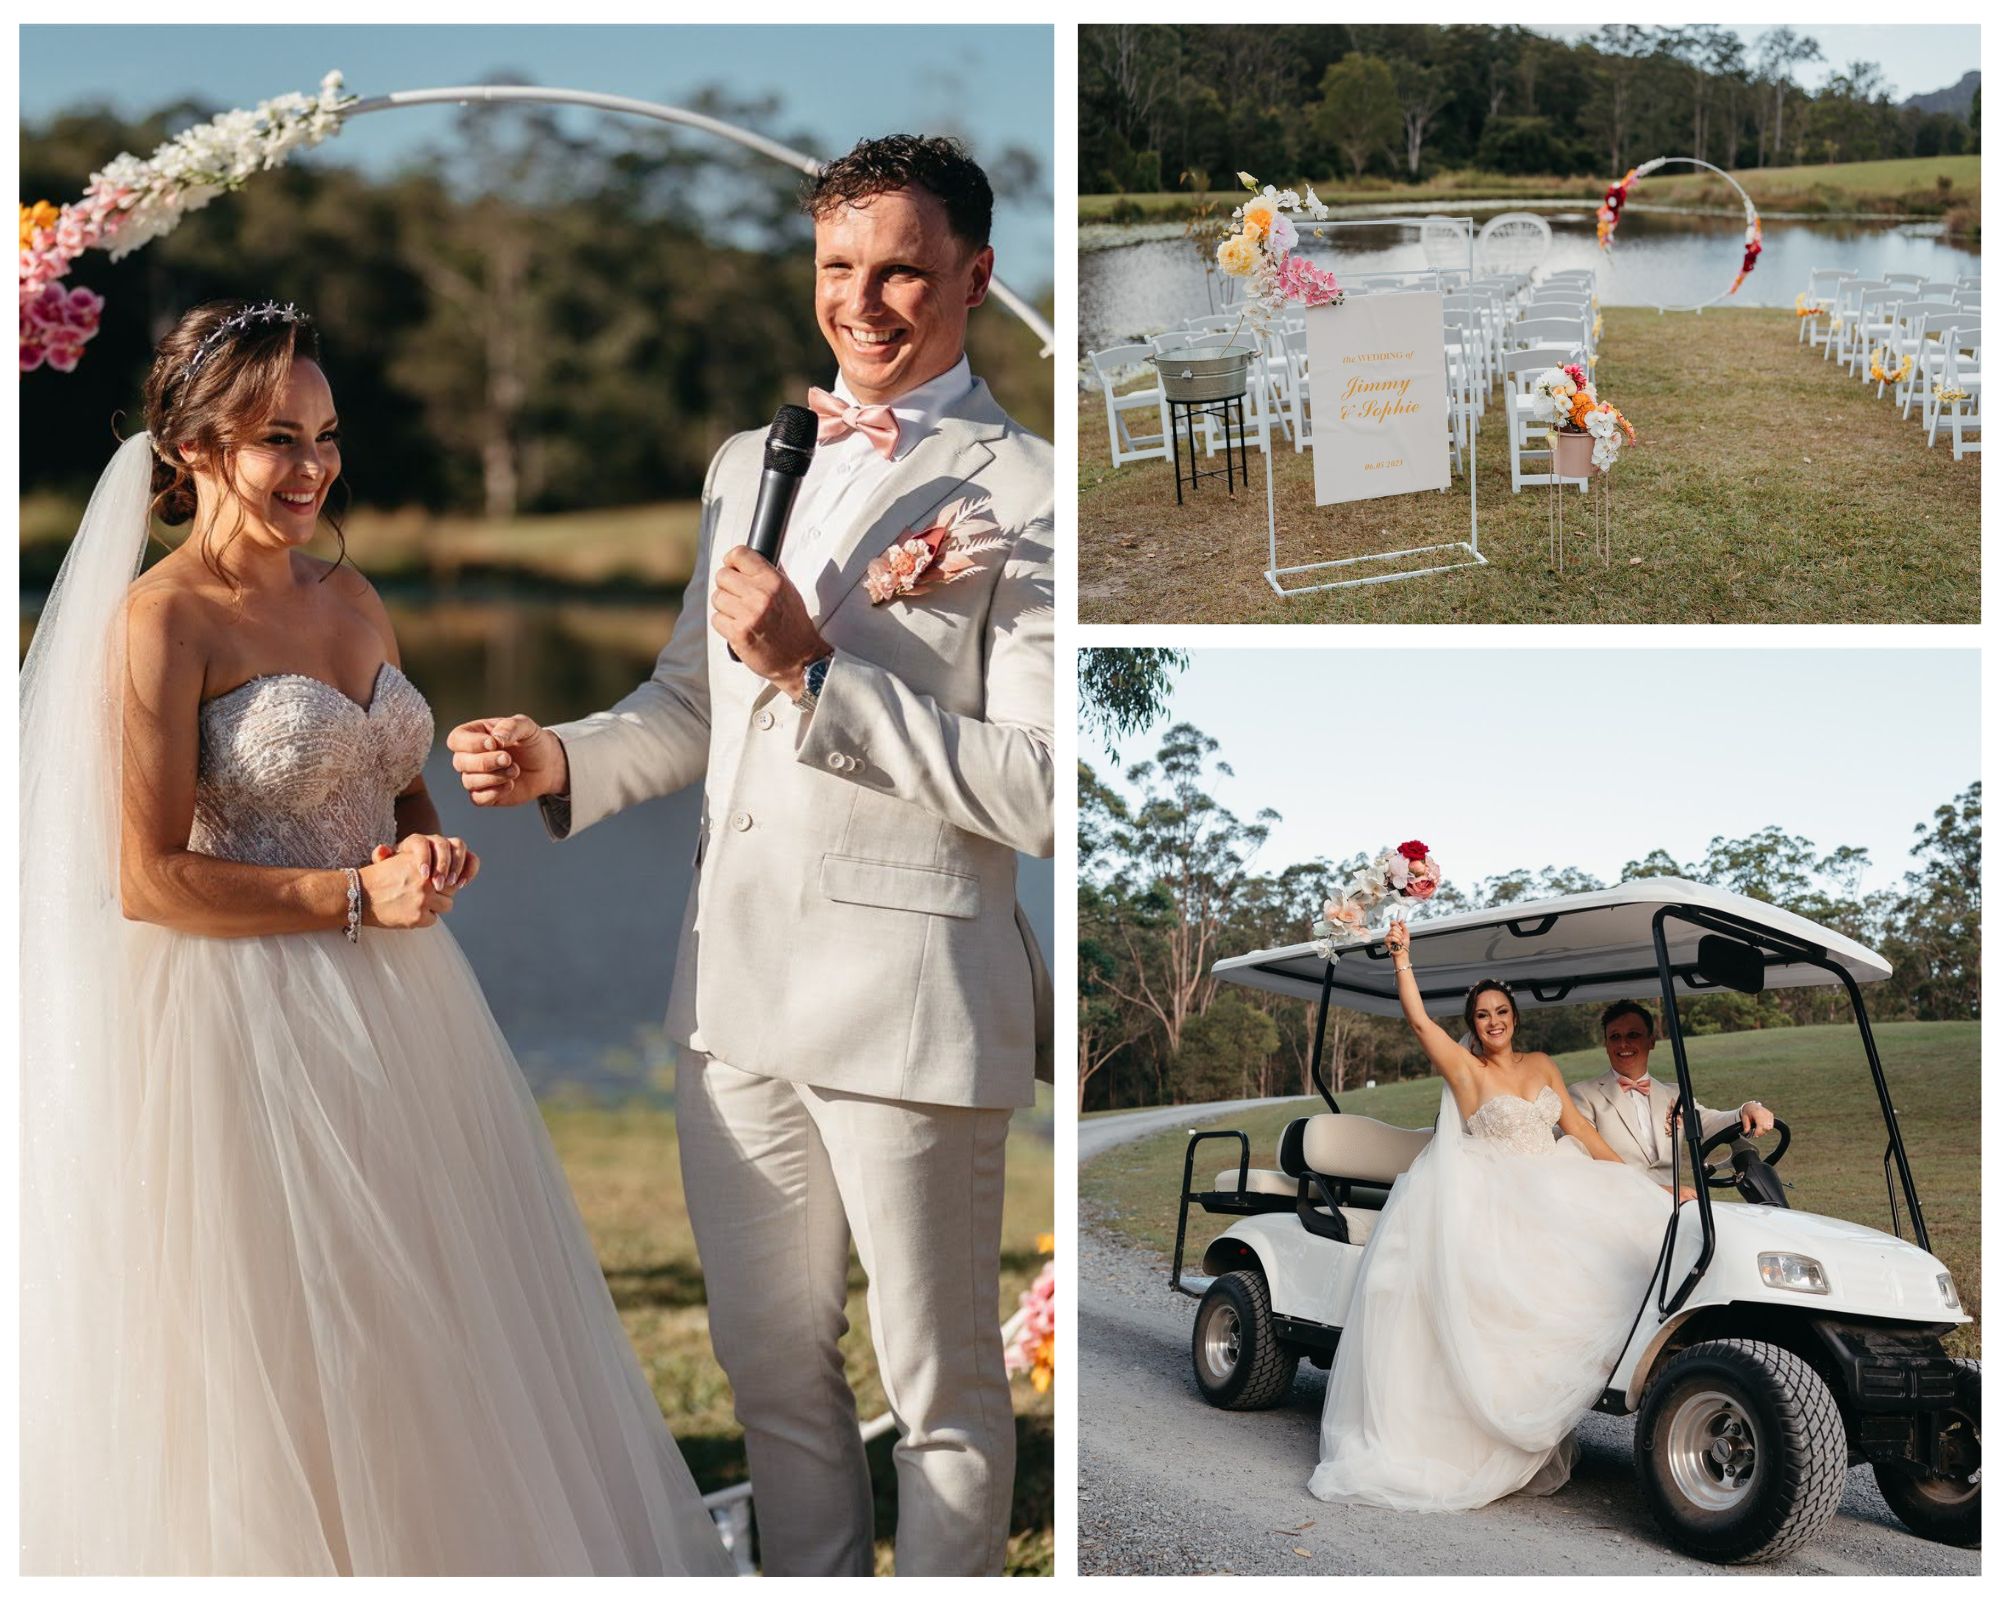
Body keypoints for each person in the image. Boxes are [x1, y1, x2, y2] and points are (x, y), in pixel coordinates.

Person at [19, 300, 732, 1577]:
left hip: (404, 1005)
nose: (314, 468)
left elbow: (393, 784)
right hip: (241, 1025)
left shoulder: (351, 593)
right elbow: (147, 880)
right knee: (293, 1335)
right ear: (194, 449)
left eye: (327, 434)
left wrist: (427, 843)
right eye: (275, 438)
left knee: (434, 1320)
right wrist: (355, 896)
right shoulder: (162, 622)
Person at [445, 134, 1053, 1577]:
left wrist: (819, 675)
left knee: (943, 1397)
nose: (865, 300)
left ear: (974, 274)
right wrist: (564, 759)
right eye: (839, 266)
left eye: (903, 268)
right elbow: (689, 701)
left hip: (910, 1009)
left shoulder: (1031, 494)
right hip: (731, 1001)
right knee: (775, 1377)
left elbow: (1039, 790)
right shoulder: (746, 461)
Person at [1308, 918, 1672, 1513]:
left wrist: (1637, 1183)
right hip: (1497, 1190)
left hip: (1555, 1178)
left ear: (1514, 1017)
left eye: (1502, 1011)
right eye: (1483, 1015)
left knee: (1628, 1236)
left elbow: (1578, 1131)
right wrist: (1402, 958)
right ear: (1472, 1025)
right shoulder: (1466, 1069)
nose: (1494, 1021)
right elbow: (1420, 1021)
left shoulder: (1542, 1064)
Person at [1569, 1000, 1778, 1188]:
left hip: (1671, 1209)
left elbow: (1707, 1122)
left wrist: (1746, 1109)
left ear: (1651, 1041)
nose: (1623, 1044)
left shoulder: (1674, 1093)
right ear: (1606, 1045)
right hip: (1617, 1205)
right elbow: (1587, 1162)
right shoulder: (1583, 1095)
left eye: (1633, 1035)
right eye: (1615, 1037)